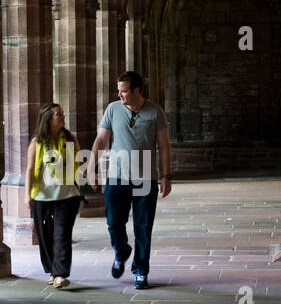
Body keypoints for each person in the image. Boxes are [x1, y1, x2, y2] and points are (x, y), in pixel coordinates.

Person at [87, 71, 172, 290]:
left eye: (123, 90)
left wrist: (166, 175)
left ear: (136, 91)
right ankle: (121, 251)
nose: (119, 94)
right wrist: (90, 168)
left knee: (143, 227)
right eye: (119, 90)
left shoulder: (155, 112)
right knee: (114, 222)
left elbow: (164, 146)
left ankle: (140, 271)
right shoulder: (112, 109)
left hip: (146, 177)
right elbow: (101, 140)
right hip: (116, 176)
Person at [25, 102, 81, 288]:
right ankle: (52, 270)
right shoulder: (37, 143)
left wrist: (90, 175)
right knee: (45, 236)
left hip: (67, 196)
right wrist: (27, 195)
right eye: (58, 114)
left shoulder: (71, 139)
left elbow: (79, 163)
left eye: (62, 113)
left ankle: (60, 274)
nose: (62, 116)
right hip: (42, 197)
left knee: (62, 235)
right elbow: (30, 169)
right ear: (48, 119)